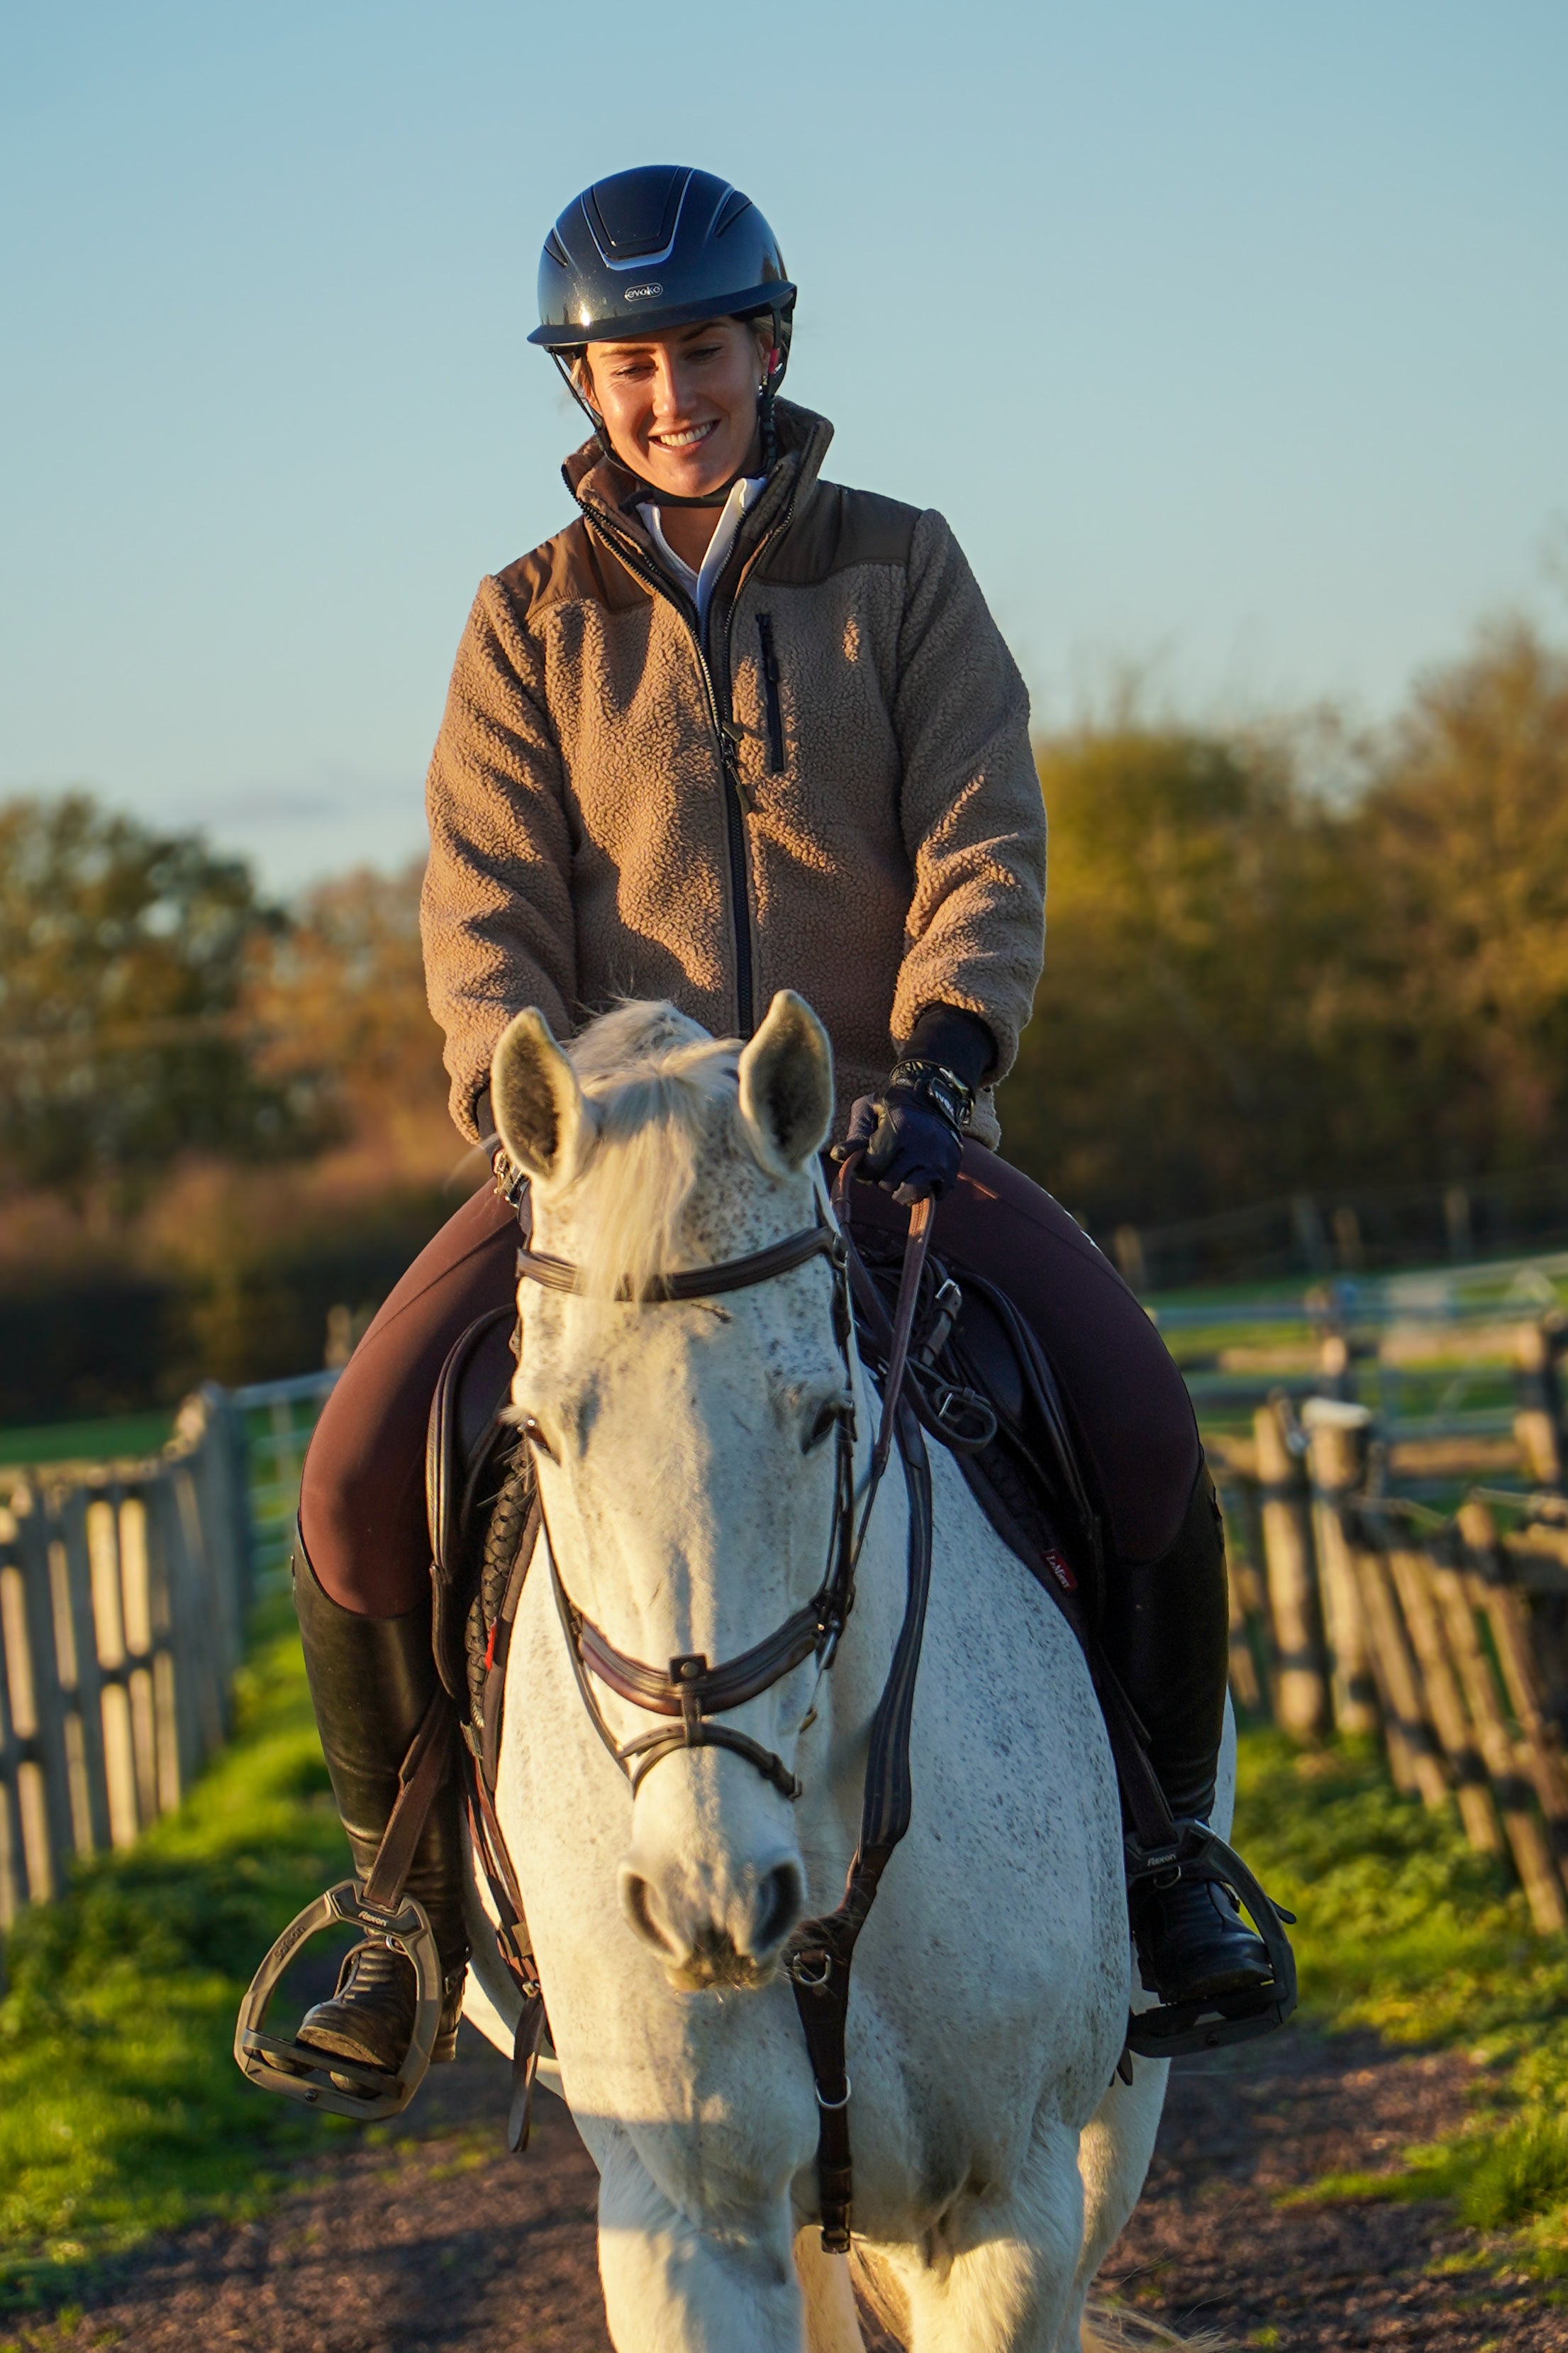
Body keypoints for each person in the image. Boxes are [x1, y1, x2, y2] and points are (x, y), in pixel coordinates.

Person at [289, 165, 1273, 2080]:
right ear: (585, 384)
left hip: (875, 1132)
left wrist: (945, 1057)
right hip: (603, 1169)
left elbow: (984, 830)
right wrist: (538, 1109)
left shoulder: (902, 567)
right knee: (345, 1480)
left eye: (706, 351)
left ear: (771, 347)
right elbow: (478, 900)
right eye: (632, 363)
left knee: (1139, 1416)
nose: (674, 393)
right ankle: (397, 1906)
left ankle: (1169, 1862)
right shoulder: (523, 620)